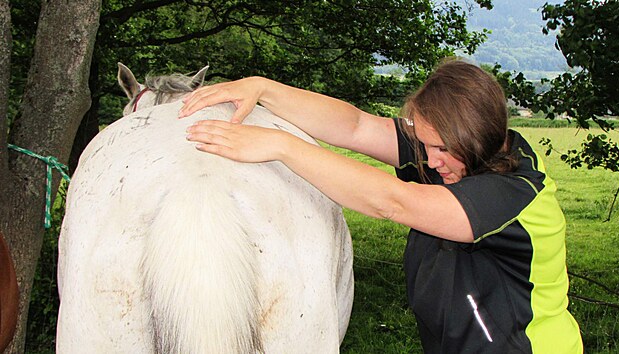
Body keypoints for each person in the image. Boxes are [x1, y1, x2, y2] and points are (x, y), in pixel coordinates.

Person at [179, 58, 583, 353]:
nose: (430, 159)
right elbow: (356, 127)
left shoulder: (513, 193)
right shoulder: (465, 154)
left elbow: (393, 202)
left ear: (475, 136)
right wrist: (264, 88)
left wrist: (282, 147)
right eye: (424, 145)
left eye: (440, 148)